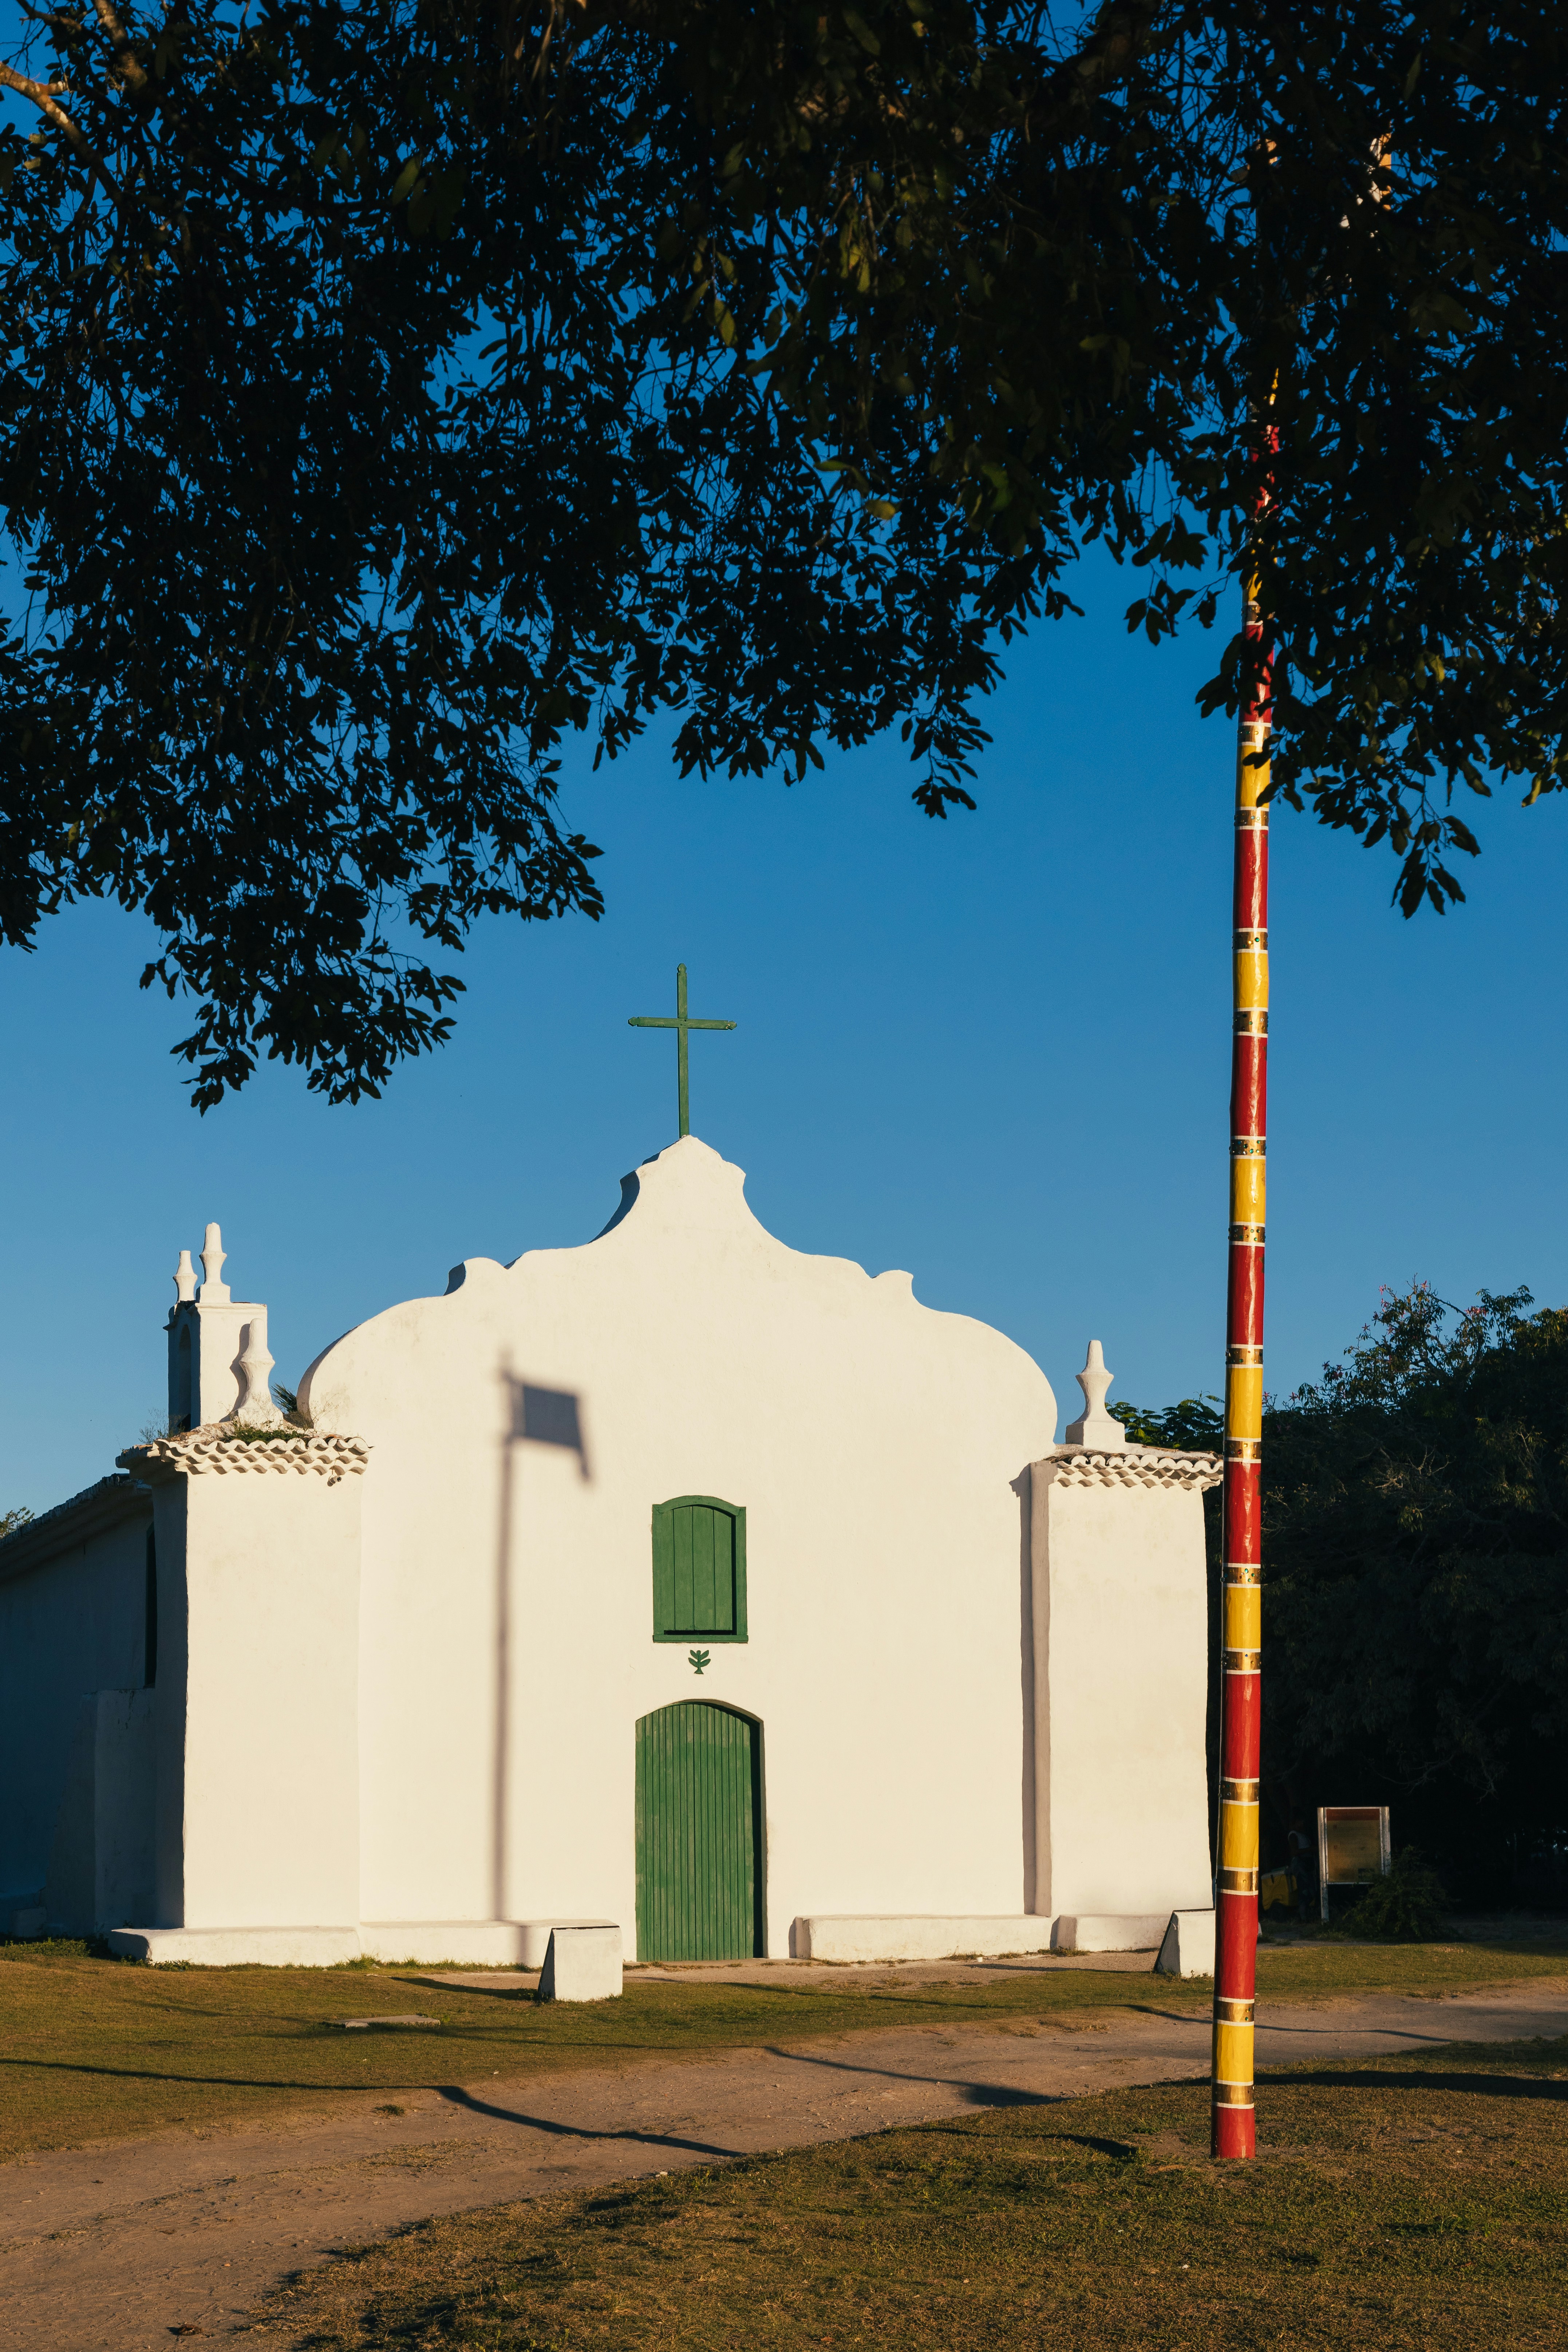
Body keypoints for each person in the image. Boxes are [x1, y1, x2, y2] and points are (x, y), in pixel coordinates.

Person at [1287, 1817, 1318, 1923]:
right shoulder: (1293, 1835)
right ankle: (1303, 1917)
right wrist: (1311, 1849)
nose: (1302, 1824)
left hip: (1307, 1865)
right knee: (1304, 1890)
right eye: (1300, 1822)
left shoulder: (1303, 1835)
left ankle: (1302, 1914)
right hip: (1300, 1865)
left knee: (1312, 1891)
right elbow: (1295, 1852)